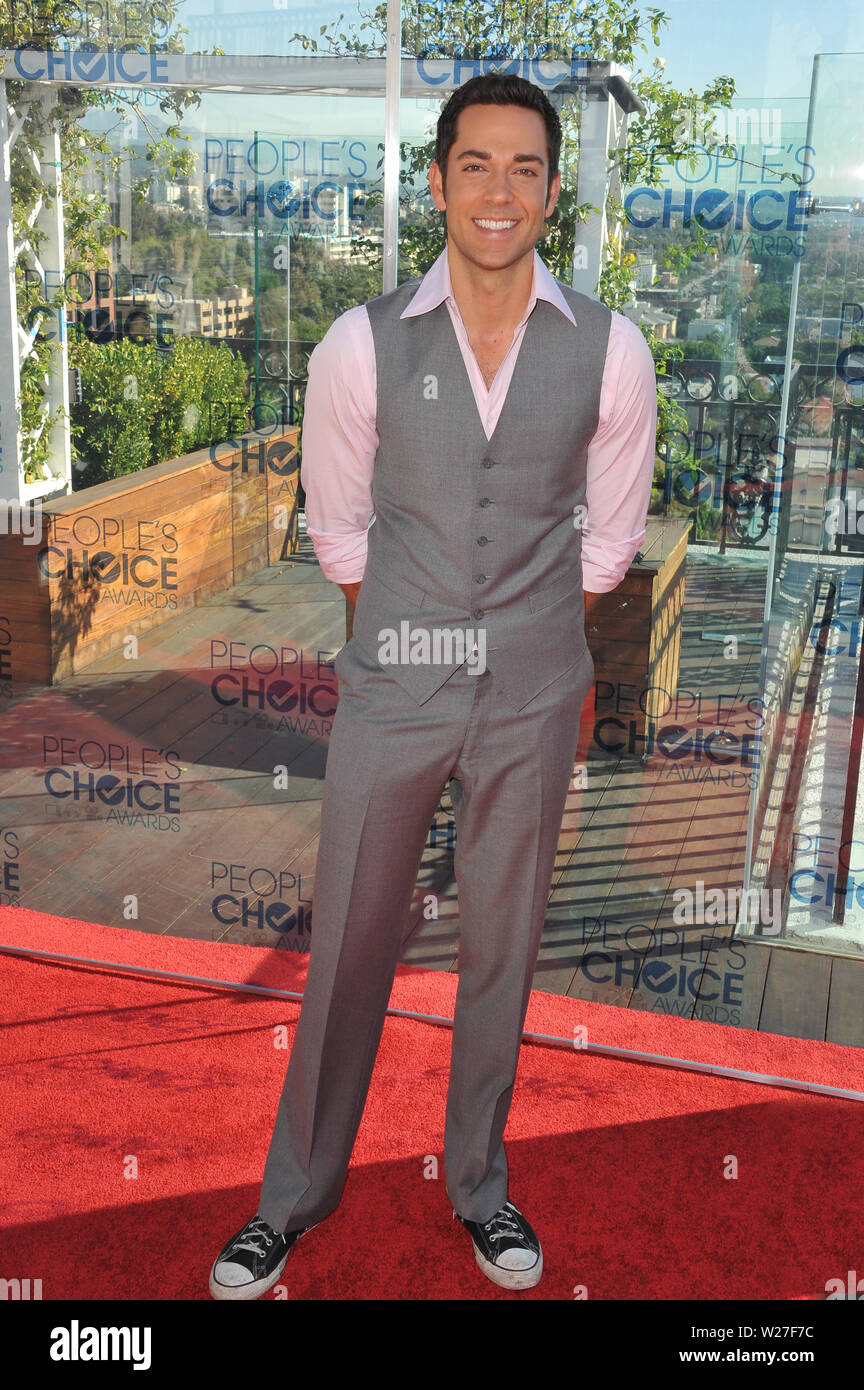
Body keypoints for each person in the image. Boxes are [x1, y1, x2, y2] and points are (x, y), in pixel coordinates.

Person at [210, 71, 657, 1300]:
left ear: (553, 190)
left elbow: (606, 548)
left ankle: (482, 1187)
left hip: (532, 691)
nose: (499, 190)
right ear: (440, 181)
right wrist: (416, 642)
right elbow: (341, 534)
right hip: (393, 689)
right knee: (350, 938)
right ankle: (291, 1198)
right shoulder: (360, 343)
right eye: (476, 165)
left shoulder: (615, 352)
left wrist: (512, 648)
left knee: (501, 950)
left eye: (525, 168)